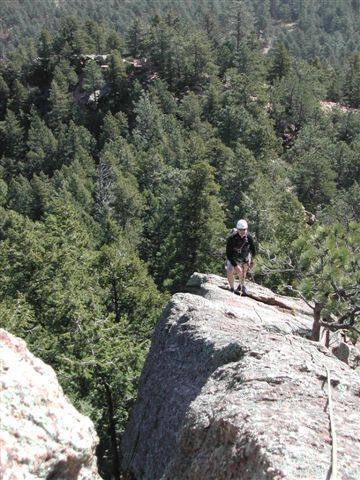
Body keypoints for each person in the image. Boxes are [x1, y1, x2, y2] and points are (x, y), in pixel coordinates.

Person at [225, 219, 256, 295]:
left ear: (247, 229)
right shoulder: (231, 238)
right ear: (237, 229)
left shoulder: (249, 237)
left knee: (243, 271)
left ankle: (242, 285)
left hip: (244, 256)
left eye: (244, 229)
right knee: (229, 271)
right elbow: (228, 254)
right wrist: (235, 266)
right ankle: (232, 288)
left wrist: (252, 261)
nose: (242, 231)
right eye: (240, 230)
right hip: (233, 257)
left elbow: (253, 250)